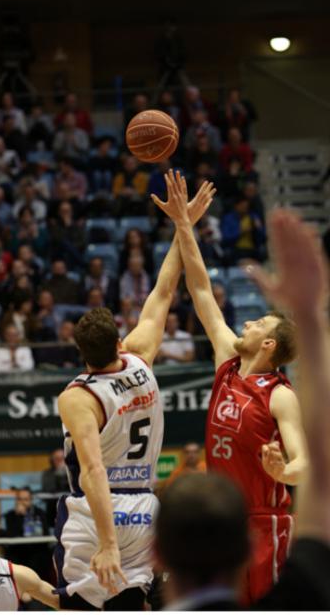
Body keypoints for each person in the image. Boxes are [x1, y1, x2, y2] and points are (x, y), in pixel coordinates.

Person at [155, 209, 330, 610]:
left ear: (269, 346)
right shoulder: (226, 362)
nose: (247, 324)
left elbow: (305, 462)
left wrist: (282, 472)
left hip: (264, 524)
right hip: (224, 522)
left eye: (257, 324)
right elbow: (200, 290)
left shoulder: (280, 394)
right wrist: (184, 224)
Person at [53, 176, 214, 610]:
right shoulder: (141, 357)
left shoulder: (78, 397)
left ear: (81, 354)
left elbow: (93, 472)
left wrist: (106, 542)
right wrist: (184, 224)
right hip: (144, 506)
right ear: (119, 344)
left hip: (95, 514)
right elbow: (164, 288)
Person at [41, 449, 71, 528]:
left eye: (62, 458)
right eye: (57, 459)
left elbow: (72, 488)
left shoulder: (72, 472)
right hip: (53, 513)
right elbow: (50, 489)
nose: (61, 461)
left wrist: (66, 472)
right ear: (52, 461)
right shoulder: (47, 474)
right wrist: (59, 473)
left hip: (71, 511)